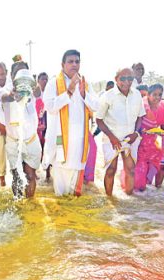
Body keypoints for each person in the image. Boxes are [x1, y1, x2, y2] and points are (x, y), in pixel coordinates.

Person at [43, 49, 99, 196]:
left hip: (79, 140)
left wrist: (83, 94)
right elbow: (49, 107)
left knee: (76, 189)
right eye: (70, 61)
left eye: (77, 61)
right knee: (60, 185)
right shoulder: (53, 83)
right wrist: (69, 91)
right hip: (60, 139)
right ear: (63, 64)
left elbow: (96, 106)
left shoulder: (85, 84)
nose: (74, 64)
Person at [96, 68, 145, 195]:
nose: (127, 82)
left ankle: (129, 200)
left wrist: (135, 133)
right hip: (112, 140)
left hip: (130, 139)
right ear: (116, 79)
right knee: (111, 169)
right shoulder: (107, 96)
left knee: (131, 169)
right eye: (123, 78)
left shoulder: (137, 95)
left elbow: (140, 116)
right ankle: (110, 200)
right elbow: (99, 120)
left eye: (130, 78)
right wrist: (112, 138)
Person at [0, 60, 41, 198]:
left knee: (30, 175)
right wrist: (12, 96)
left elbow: (39, 93)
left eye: (24, 72)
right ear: (11, 75)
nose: (21, 75)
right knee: (16, 175)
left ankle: (30, 205)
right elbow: (3, 98)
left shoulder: (32, 88)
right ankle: (18, 206)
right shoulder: (5, 90)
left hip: (31, 139)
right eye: (17, 72)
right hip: (13, 141)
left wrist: (34, 86)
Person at [135, 84, 164, 191]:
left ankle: (147, 198)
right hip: (138, 142)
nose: (157, 97)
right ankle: (137, 192)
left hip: (152, 143)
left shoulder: (162, 107)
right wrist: (141, 131)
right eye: (154, 95)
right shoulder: (141, 106)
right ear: (149, 95)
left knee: (152, 167)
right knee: (140, 169)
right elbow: (133, 124)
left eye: (159, 95)